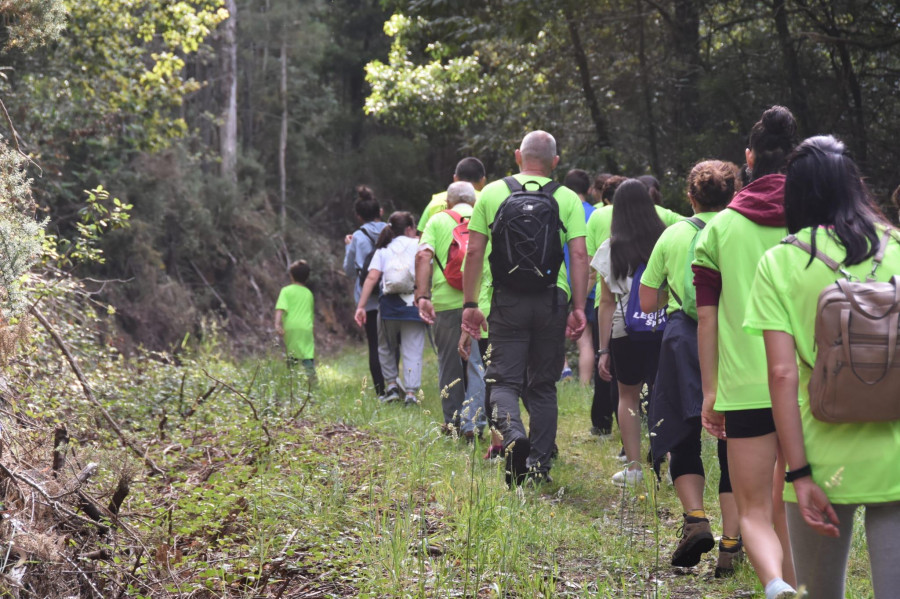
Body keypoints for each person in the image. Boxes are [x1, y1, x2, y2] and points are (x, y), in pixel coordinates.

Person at [745, 135, 900, 599]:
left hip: (819, 450)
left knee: (818, 592)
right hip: (896, 450)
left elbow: (782, 374)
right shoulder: (897, 245)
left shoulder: (781, 261)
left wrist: (800, 474)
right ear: (855, 186)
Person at [693, 105, 798, 599]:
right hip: (807, 386)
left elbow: (708, 318)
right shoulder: (816, 221)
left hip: (744, 387)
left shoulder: (717, 230)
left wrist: (710, 390)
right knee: (792, 505)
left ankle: (776, 585)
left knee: (753, 509)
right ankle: (798, 585)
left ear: (749, 159)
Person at [462, 130, 588, 486]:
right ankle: (538, 467)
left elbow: (473, 252)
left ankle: (514, 435)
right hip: (551, 299)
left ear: (518, 156)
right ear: (555, 162)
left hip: (507, 299)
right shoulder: (566, 197)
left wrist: (470, 303)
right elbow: (579, 255)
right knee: (543, 387)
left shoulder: (492, 192)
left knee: (503, 381)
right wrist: (578, 307)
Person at [638, 161, 742, 574]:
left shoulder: (675, 233)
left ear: (691, 196)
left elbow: (647, 302)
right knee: (734, 439)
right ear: (734, 194)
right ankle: (731, 544)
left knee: (683, 434)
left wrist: (673, 296)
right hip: (733, 336)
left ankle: (696, 520)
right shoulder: (741, 228)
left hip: (683, 338)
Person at [595, 179, 666, 487]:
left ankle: (635, 468)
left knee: (628, 397)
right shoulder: (665, 240)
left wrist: (604, 349)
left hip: (626, 331)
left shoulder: (611, 248)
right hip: (663, 327)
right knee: (666, 395)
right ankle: (674, 462)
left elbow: (606, 303)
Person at [415, 181, 486, 439]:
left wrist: (422, 294)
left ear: (447, 203)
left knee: (449, 363)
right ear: (474, 201)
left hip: (445, 302)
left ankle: (453, 423)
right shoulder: (485, 218)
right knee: (479, 364)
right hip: (480, 302)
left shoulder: (437, 220)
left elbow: (423, 255)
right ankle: (474, 423)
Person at [354, 211, 426, 405]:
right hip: (414, 306)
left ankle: (392, 386)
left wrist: (361, 306)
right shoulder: (420, 245)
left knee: (385, 347)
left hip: (388, 308)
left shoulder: (383, 249)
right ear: (410, 228)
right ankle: (411, 394)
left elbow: (371, 278)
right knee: (413, 349)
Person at [343, 186, 389, 397]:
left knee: (375, 345)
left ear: (358, 216)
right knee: (392, 343)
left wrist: (348, 246)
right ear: (380, 211)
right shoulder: (393, 230)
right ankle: (395, 387)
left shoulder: (358, 237)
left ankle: (381, 392)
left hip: (368, 299)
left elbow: (349, 270)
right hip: (392, 294)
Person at [561, 168, 597, 385]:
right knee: (586, 339)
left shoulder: (561, 210)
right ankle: (584, 387)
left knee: (553, 334)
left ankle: (564, 368)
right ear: (589, 189)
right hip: (589, 281)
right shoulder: (595, 213)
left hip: (561, 280)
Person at [418, 157, 487, 233]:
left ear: (455, 178)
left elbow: (423, 238)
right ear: (483, 180)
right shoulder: (486, 200)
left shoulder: (436, 202)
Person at [275, 259, 316, 380]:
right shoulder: (309, 293)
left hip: (291, 328)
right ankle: (312, 383)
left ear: (291, 276)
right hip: (306, 329)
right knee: (307, 354)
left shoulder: (286, 291)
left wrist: (277, 325)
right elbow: (310, 313)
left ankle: (291, 382)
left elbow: (280, 309)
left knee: (292, 355)